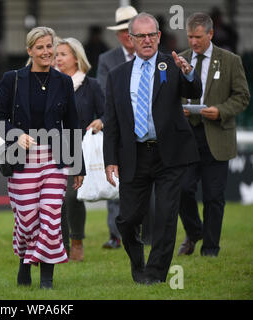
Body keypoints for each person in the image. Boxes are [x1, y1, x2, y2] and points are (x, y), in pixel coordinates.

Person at [103, 13, 202, 284]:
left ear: (159, 36)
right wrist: (110, 158)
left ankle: (156, 275)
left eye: (152, 35)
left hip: (169, 153)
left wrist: (189, 72)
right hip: (134, 154)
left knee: (166, 216)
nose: (147, 40)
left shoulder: (172, 65)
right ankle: (138, 265)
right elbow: (111, 121)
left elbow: (194, 90)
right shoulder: (117, 76)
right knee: (127, 218)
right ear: (130, 39)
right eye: (141, 36)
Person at [0, 26, 85, 289]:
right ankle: (24, 260)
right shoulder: (13, 79)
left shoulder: (63, 82)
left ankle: (47, 278)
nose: (46, 52)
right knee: (27, 217)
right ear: (30, 50)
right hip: (22, 159)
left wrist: (78, 165)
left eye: (49, 46)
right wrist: (15, 135)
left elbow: (73, 125)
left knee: (50, 215)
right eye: (40, 47)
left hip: (55, 159)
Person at [177, 13, 250, 257]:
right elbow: (170, 95)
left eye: (198, 37)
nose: (193, 42)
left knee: (213, 196)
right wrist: (180, 110)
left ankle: (210, 248)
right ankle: (195, 232)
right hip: (187, 138)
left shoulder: (230, 60)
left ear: (210, 34)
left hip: (217, 136)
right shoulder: (181, 59)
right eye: (189, 36)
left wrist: (220, 111)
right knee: (182, 190)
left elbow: (242, 97)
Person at [55, 37, 105, 261]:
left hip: (80, 146)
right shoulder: (50, 83)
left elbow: (107, 112)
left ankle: (76, 241)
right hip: (53, 145)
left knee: (74, 195)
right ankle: (59, 245)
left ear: (76, 57)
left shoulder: (91, 85)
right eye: (56, 55)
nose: (57, 59)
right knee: (57, 197)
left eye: (62, 54)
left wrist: (101, 121)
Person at [96, 5, 138, 250]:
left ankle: (144, 231)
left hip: (146, 131)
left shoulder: (154, 58)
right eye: (122, 30)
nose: (126, 34)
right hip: (117, 129)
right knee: (114, 182)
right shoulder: (106, 59)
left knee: (145, 183)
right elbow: (104, 94)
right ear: (117, 34)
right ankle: (116, 234)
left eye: (130, 29)